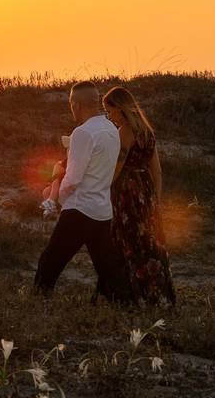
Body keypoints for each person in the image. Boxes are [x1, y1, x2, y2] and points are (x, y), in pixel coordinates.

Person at [33, 81, 129, 302]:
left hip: (80, 209)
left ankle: (35, 303)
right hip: (103, 210)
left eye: (70, 104)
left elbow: (73, 178)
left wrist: (56, 195)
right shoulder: (112, 130)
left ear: (76, 105)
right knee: (108, 267)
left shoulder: (82, 133)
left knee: (50, 261)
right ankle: (128, 307)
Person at [103, 86, 176, 306]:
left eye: (110, 111)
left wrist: (103, 187)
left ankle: (131, 295)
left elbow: (118, 166)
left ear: (120, 108)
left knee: (127, 239)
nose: (109, 116)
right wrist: (156, 199)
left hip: (127, 191)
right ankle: (156, 293)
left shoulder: (124, 131)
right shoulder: (147, 131)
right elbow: (157, 170)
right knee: (150, 241)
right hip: (146, 191)